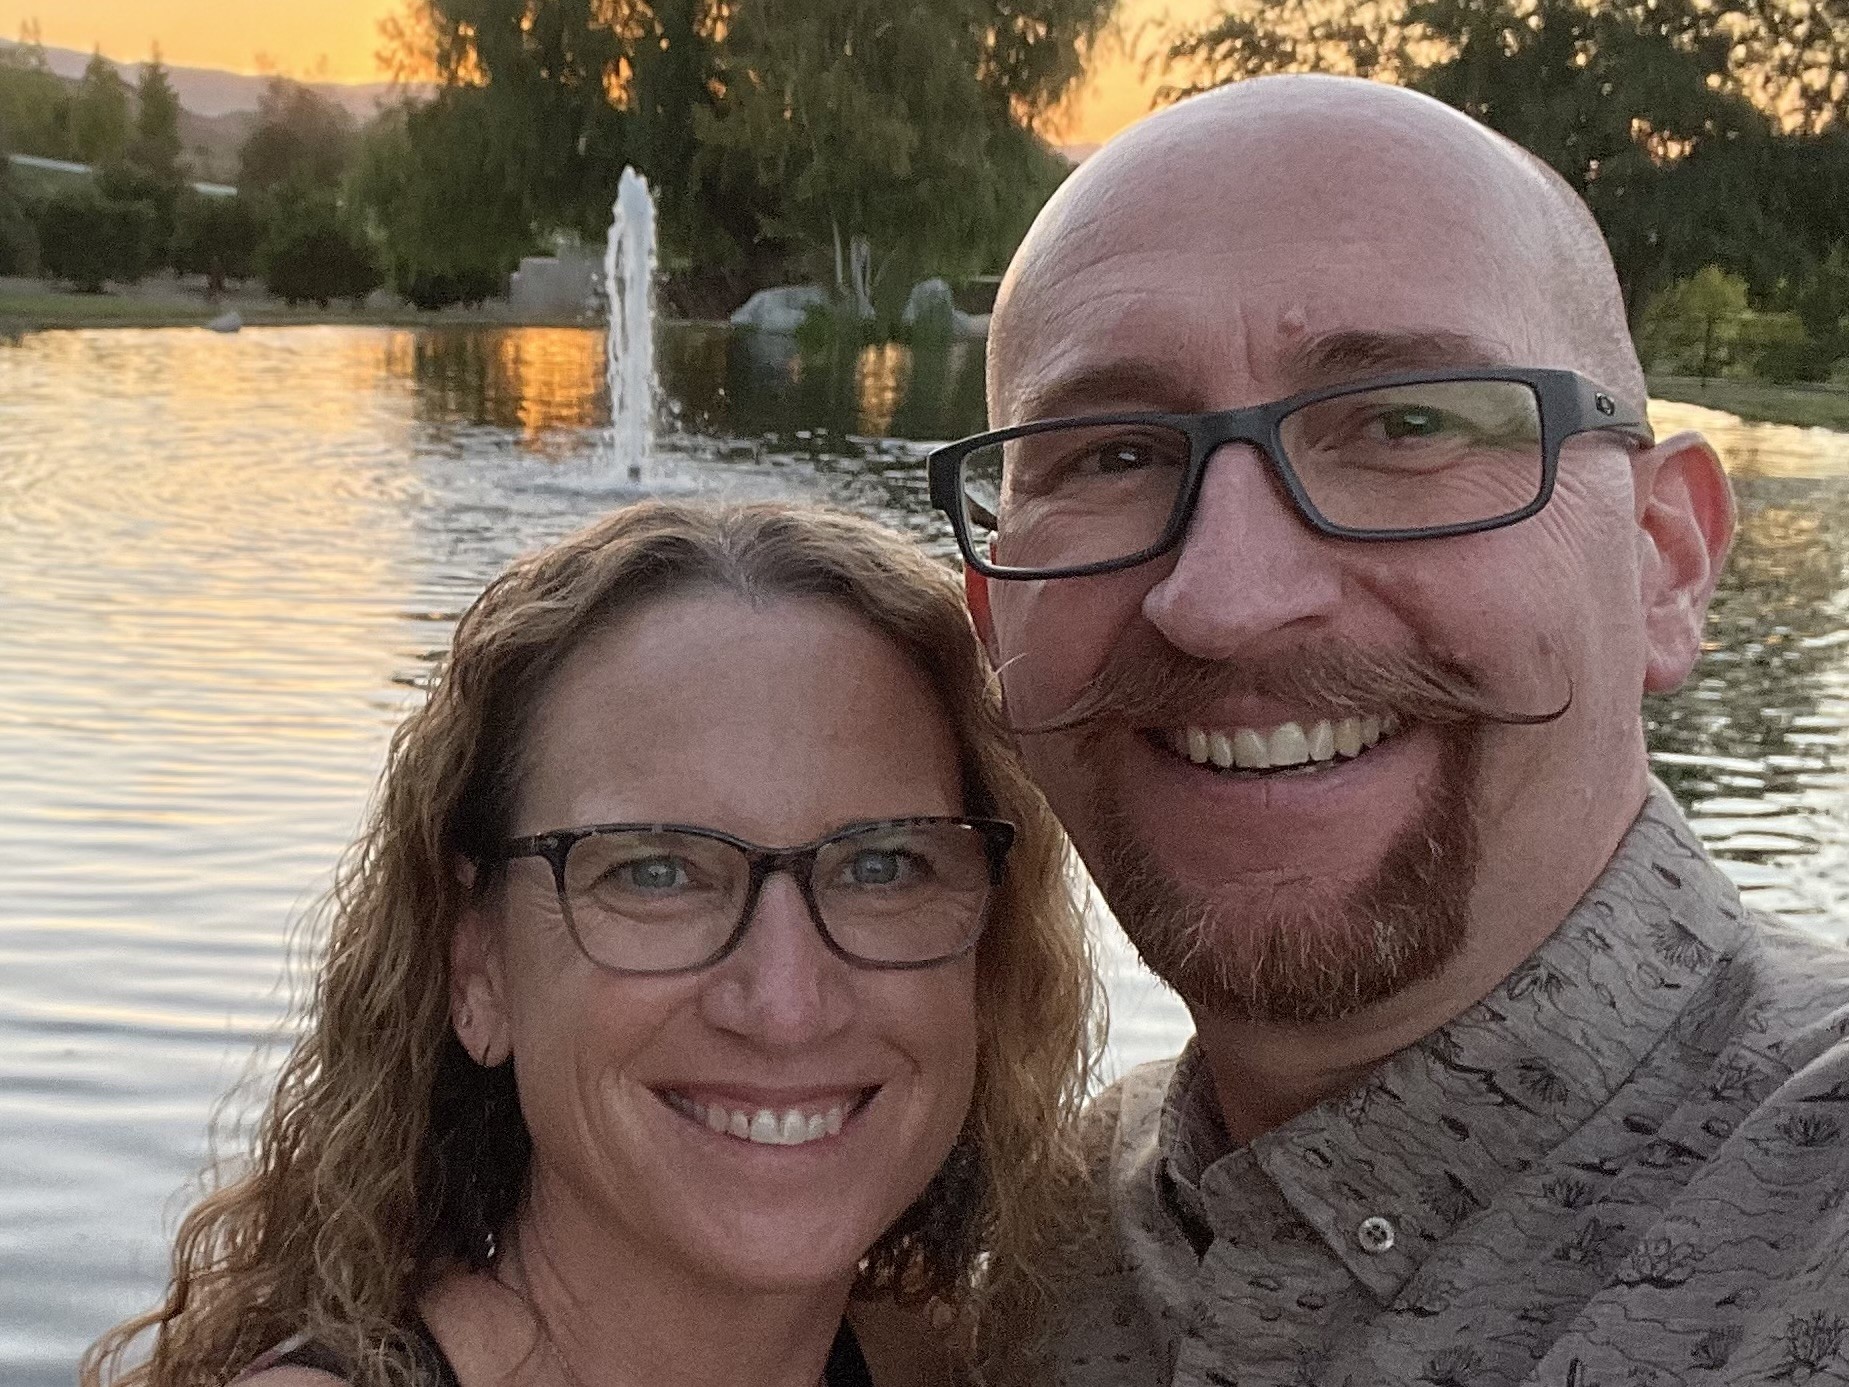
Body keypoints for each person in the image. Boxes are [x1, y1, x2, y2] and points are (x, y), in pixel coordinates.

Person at [932, 74, 1849, 1385]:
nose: (1227, 600)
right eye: (1111, 455)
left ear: (1665, 559)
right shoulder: (1033, 1249)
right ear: (993, 623)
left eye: (1407, 423)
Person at [82, 501, 1096, 1387]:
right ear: (476, 966)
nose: (786, 1003)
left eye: (881, 865)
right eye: (654, 873)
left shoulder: (949, 1361)